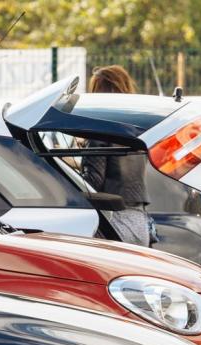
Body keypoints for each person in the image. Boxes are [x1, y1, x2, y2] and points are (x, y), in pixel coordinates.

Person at [81, 65, 154, 247]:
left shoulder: (99, 130)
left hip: (113, 223)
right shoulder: (135, 129)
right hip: (140, 222)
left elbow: (93, 182)